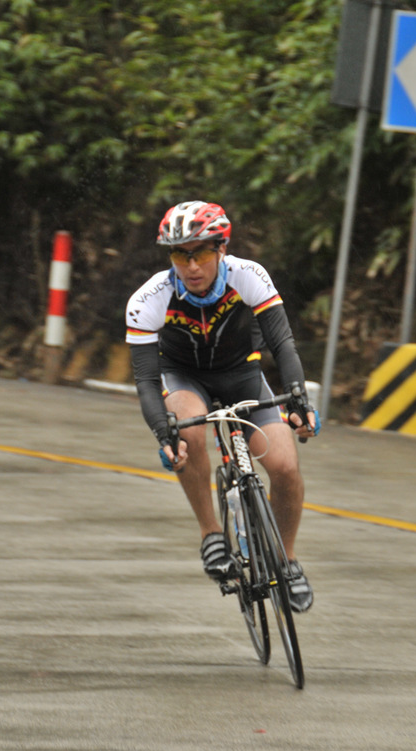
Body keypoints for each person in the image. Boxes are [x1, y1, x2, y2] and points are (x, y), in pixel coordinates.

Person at [125, 201, 320, 612]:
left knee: (285, 467)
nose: (192, 266)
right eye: (181, 255)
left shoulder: (248, 276)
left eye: (201, 253)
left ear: (222, 249)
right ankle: (211, 533)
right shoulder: (149, 298)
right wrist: (164, 433)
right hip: (184, 377)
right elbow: (146, 380)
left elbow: (283, 344)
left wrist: (298, 400)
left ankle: (286, 560)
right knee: (188, 433)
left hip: (241, 373)